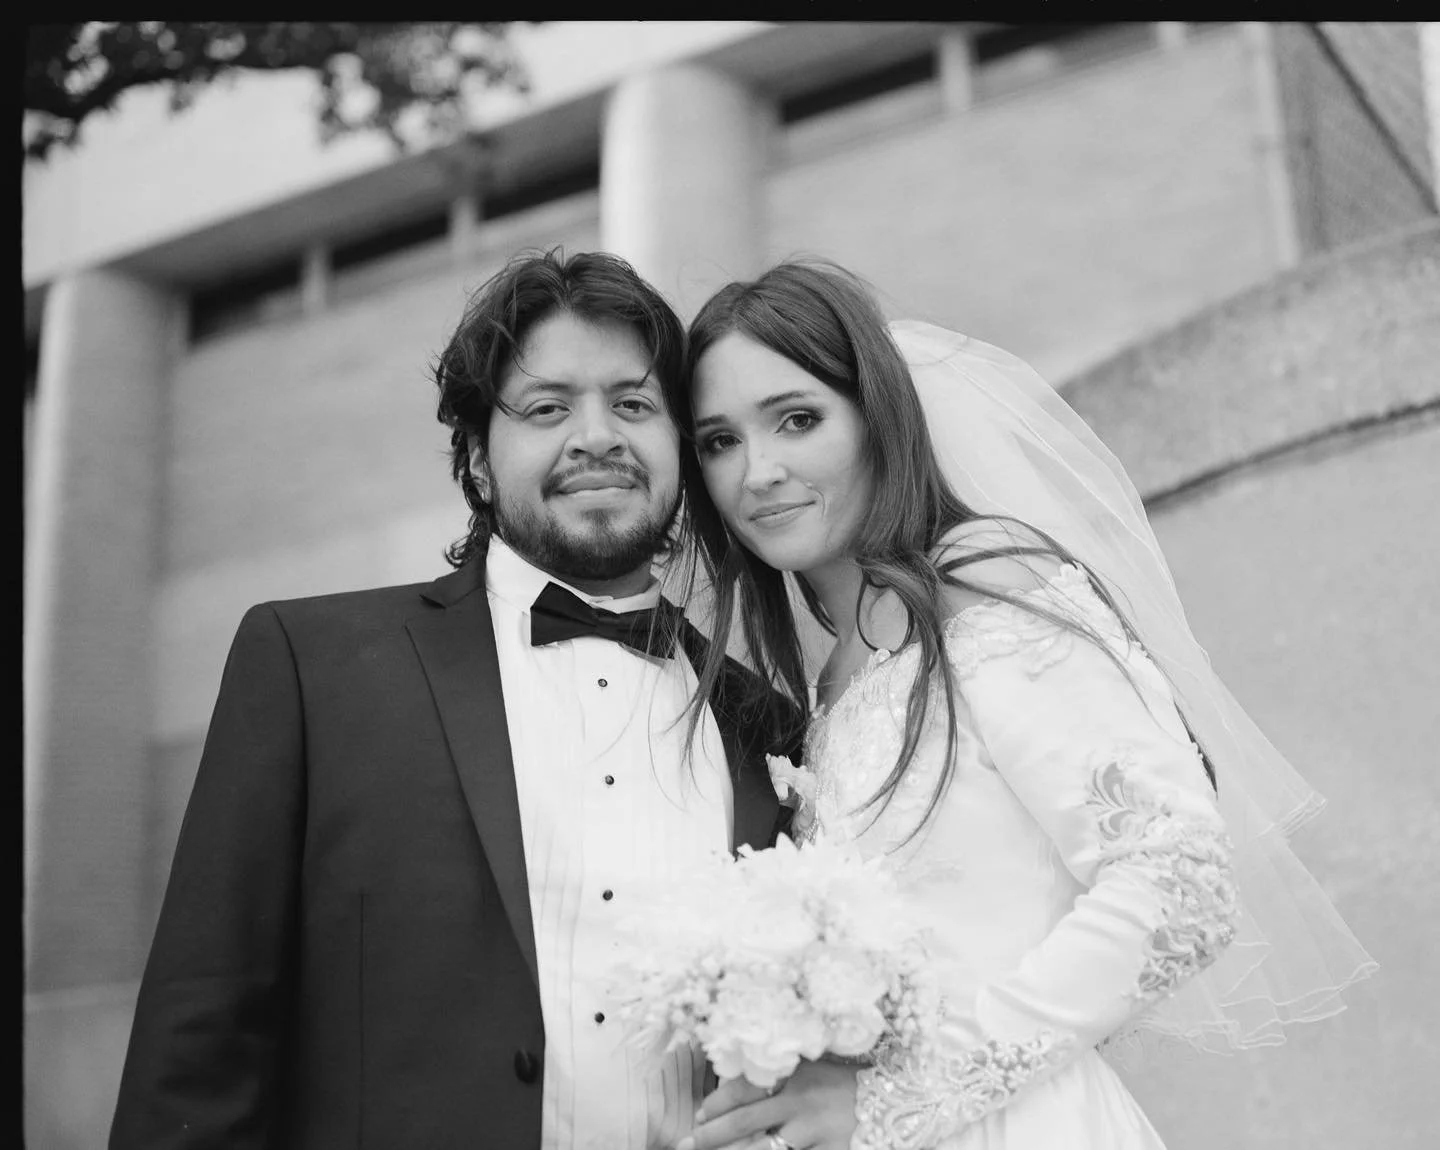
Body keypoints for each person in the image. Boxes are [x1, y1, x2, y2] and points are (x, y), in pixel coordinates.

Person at [664, 260, 1377, 1150]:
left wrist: (898, 1100)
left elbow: (1178, 881)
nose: (757, 472)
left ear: (877, 417)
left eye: (797, 419)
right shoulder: (835, 675)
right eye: (719, 441)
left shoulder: (983, 585)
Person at [109, 249, 799, 1150]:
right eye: (547, 408)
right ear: (476, 455)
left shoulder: (772, 729)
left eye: (633, 403)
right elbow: (199, 1040)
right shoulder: (311, 667)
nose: (597, 435)